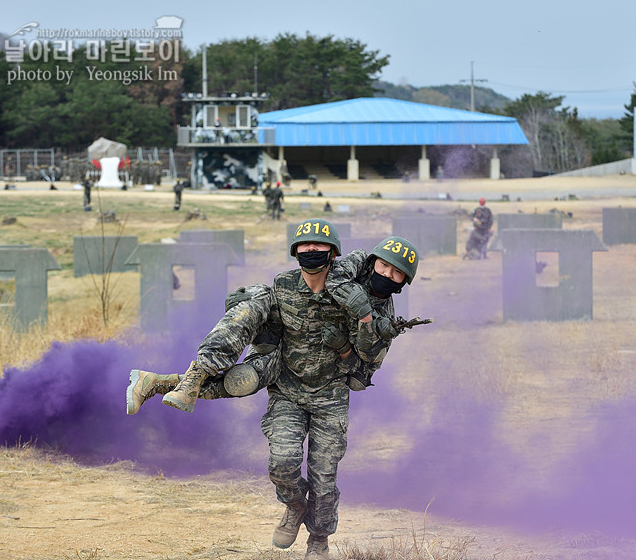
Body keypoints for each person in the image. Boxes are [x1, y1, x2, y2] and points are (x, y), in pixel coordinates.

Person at [127, 222, 420, 560]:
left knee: (324, 480)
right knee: (281, 460)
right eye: (383, 265)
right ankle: (294, 505)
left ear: (403, 282)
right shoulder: (335, 273)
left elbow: (365, 368)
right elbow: (325, 276)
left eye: (396, 273)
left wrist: (355, 333)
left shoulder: (385, 317)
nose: (386, 274)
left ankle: (319, 541)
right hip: (287, 384)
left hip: (331, 397)